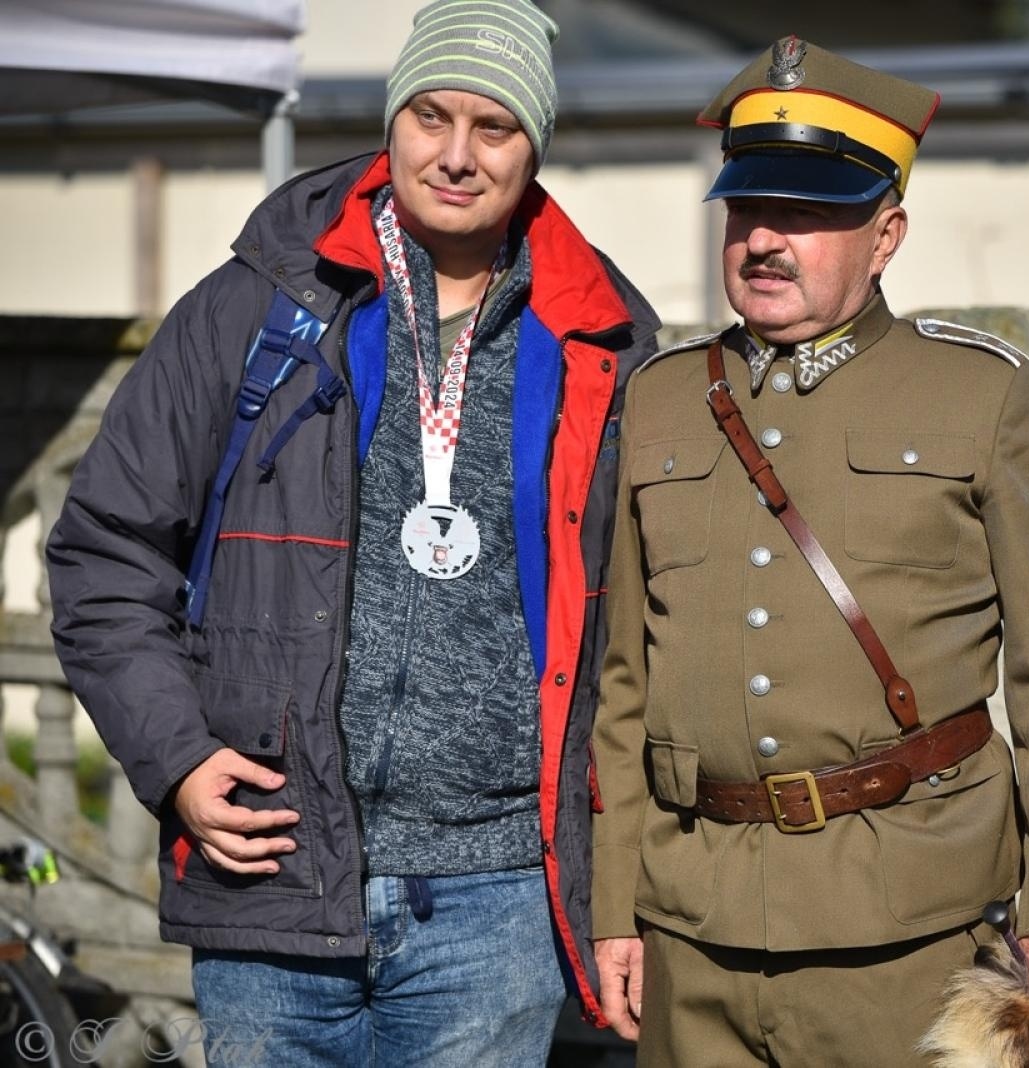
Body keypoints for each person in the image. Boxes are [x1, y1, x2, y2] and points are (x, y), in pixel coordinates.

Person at [45, 1, 658, 1062]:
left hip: (499, 898)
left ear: (536, 146)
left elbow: (650, 622)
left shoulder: (603, 337)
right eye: (429, 116)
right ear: (393, 120)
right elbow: (105, 553)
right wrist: (179, 757)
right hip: (270, 874)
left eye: (494, 128)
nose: (455, 155)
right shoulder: (255, 305)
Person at [588, 36, 1029, 1067]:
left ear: (887, 235)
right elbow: (623, 686)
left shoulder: (979, 395)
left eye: (811, 213)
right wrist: (619, 905)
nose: (765, 240)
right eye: (749, 209)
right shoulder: (658, 399)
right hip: (692, 930)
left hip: (906, 925)